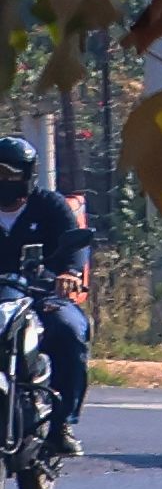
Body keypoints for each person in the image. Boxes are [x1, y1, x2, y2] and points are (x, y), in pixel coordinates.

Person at [0, 135, 83, 455]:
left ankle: (62, 423)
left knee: (69, 331)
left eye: (11, 175)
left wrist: (69, 274)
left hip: (41, 294)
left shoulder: (49, 205)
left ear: (27, 176)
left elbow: (75, 244)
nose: (4, 182)